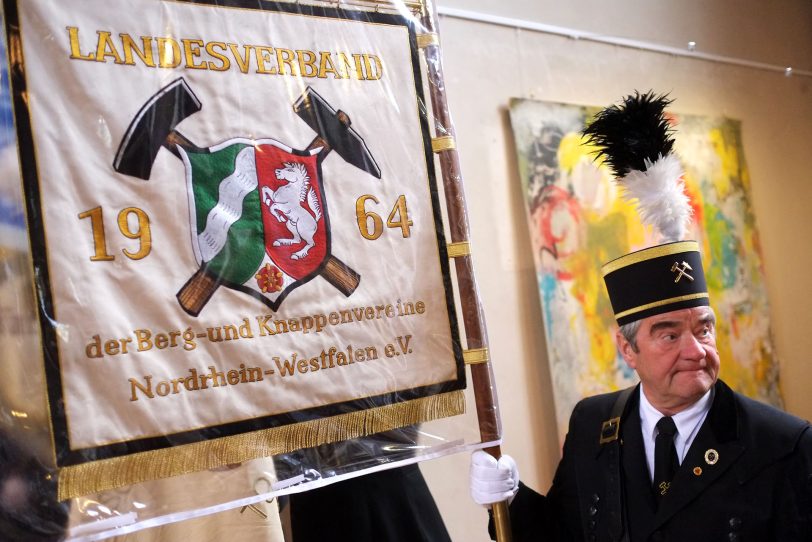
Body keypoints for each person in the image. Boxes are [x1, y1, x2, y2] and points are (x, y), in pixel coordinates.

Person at [469, 92, 812, 541]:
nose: (696, 350)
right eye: (668, 335)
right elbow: (561, 534)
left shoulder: (782, 444)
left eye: (703, 328)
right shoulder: (592, 424)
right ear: (626, 348)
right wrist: (510, 499)